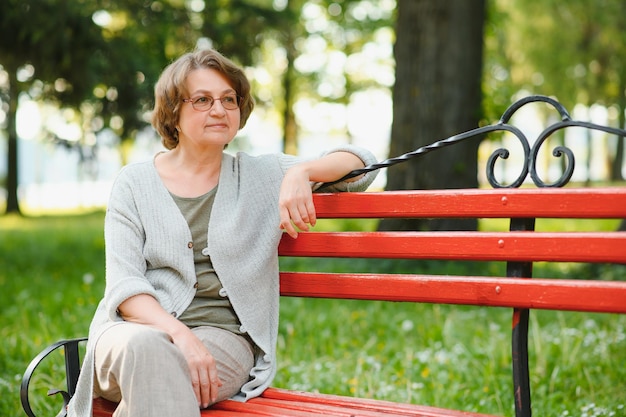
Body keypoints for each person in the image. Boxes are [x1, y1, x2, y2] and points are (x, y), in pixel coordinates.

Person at [67, 48, 378, 417]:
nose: (219, 110)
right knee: (150, 352)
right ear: (173, 112)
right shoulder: (134, 183)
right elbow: (125, 289)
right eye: (202, 100)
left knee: (160, 378)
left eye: (228, 99)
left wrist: (303, 172)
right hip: (130, 338)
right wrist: (180, 336)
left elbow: (364, 165)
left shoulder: (262, 176)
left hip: (223, 343)